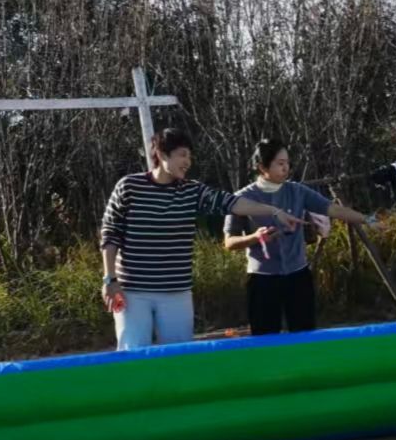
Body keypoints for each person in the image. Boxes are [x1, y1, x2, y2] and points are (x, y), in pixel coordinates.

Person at [102, 128, 302, 349]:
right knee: (133, 353)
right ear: (161, 154)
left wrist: (273, 211)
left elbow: (232, 203)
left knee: (179, 356)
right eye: (182, 155)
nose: (188, 162)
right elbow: (110, 233)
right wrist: (110, 279)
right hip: (132, 291)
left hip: (176, 291)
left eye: (190, 156)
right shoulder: (129, 187)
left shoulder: (192, 191)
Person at [223, 139, 369, 335]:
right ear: (262, 167)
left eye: (287, 163)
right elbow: (229, 242)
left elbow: (331, 208)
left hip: (297, 274)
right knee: (265, 338)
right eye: (280, 163)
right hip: (263, 279)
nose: (286, 168)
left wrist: (366, 219)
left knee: (304, 335)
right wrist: (255, 237)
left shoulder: (297, 191)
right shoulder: (242, 198)